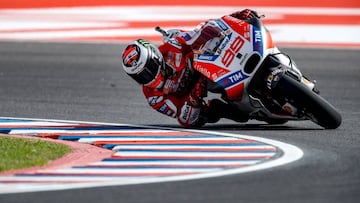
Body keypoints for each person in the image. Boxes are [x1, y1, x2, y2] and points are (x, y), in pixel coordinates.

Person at [121, 9, 259, 127]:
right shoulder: (154, 98)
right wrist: (193, 97)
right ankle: (245, 108)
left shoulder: (173, 45)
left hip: (212, 65)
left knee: (216, 36)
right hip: (198, 92)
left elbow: (203, 31)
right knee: (225, 115)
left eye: (148, 70)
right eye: (140, 76)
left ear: (155, 57)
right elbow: (184, 119)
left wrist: (236, 16)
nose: (147, 77)